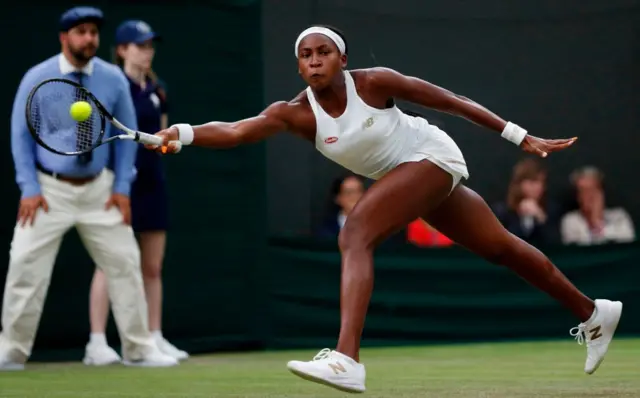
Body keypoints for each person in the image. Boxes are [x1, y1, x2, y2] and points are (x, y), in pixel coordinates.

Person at [148, 25, 622, 392]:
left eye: (323, 52)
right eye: (306, 56)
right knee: (501, 248)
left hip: (432, 157)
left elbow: (452, 102)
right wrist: (181, 134)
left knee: (355, 233)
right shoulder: (293, 113)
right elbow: (235, 130)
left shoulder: (375, 83)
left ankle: (347, 359)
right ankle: (593, 313)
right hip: (407, 177)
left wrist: (521, 136)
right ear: (299, 68)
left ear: (342, 59)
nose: (315, 62)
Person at [0, 6, 178, 370]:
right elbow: (20, 137)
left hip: (101, 190)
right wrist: (29, 187)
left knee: (126, 264)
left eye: (94, 32)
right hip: (49, 191)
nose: (89, 39)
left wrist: (122, 187)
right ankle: (12, 351)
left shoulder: (112, 79)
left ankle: (139, 348)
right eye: (81, 32)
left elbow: (127, 136)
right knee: (24, 264)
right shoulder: (38, 76)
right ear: (65, 38)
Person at [86, 20, 188, 364]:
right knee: (110, 262)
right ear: (122, 50)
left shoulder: (158, 90)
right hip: (119, 185)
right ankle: (97, 343)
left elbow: (162, 136)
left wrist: (166, 146)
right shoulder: (112, 88)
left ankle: (153, 336)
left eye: (149, 45)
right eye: (139, 45)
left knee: (152, 267)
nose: (147, 51)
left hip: (153, 182)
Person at [492, 157, 562, 246]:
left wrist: (540, 217)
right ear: (519, 183)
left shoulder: (551, 210)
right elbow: (504, 244)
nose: (539, 187)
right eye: (533, 181)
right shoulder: (502, 211)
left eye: (542, 182)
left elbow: (556, 245)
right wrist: (524, 218)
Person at [561, 166, 635, 245]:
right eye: (583, 191)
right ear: (577, 196)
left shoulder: (619, 216)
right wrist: (593, 221)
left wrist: (597, 222)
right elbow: (580, 252)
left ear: (601, 193)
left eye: (592, 190)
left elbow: (627, 245)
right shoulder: (570, 221)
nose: (588, 196)